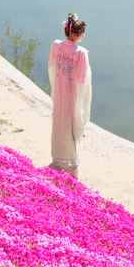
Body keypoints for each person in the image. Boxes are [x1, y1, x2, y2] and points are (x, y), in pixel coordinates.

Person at [48, 14, 93, 177]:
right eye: (82, 33)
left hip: (59, 91)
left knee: (59, 123)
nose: (84, 36)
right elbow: (82, 78)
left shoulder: (56, 45)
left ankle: (57, 158)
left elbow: (52, 66)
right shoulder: (80, 53)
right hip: (72, 95)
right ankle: (72, 163)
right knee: (73, 125)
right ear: (75, 34)